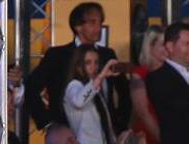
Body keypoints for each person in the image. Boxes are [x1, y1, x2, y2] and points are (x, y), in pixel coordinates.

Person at [30, 2, 130, 134]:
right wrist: (48, 124)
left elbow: (124, 91)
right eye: (92, 23)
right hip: (68, 136)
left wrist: (120, 124)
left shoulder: (107, 55)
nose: (98, 27)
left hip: (105, 137)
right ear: (78, 26)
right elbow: (31, 88)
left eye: (100, 23)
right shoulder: (57, 56)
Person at [64, 46, 121, 144]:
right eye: (88, 63)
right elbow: (79, 101)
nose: (93, 67)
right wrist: (100, 76)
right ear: (78, 65)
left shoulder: (97, 85)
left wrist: (114, 142)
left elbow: (105, 117)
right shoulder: (73, 86)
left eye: (96, 62)